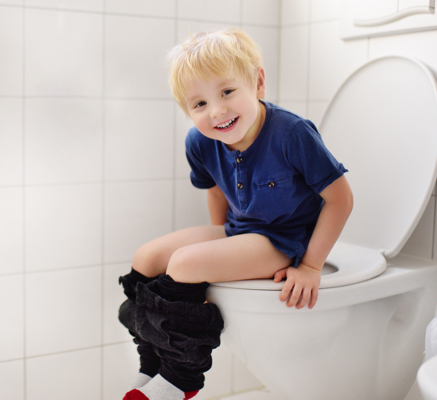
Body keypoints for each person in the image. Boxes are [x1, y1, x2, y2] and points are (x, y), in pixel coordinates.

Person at [118, 28, 354, 400]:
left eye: (227, 92)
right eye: (199, 104)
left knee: (185, 265)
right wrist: (218, 250)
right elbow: (215, 188)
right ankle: (153, 363)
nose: (217, 111)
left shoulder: (291, 133)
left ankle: (181, 377)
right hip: (239, 229)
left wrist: (310, 267)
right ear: (187, 111)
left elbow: (340, 199)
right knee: (146, 258)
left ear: (257, 83)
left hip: (284, 239)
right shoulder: (200, 141)